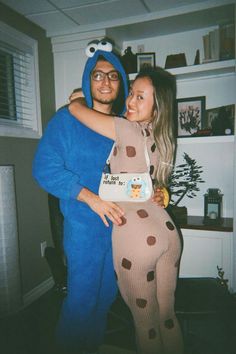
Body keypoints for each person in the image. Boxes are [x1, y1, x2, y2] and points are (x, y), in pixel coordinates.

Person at [32, 40, 166, 354]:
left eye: (113, 76)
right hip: (85, 228)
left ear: (121, 83)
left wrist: (160, 193)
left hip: (122, 229)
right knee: (81, 300)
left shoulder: (126, 125)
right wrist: (90, 198)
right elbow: (43, 167)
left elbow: (145, 172)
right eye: (97, 75)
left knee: (106, 297)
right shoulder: (67, 120)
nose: (105, 81)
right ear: (87, 81)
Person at [69, 66, 184, 354]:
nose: (130, 102)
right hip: (168, 234)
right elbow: (157, 188)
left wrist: (82, 95)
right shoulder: (161, 139)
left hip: (138, 237)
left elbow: (75, 110)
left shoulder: (126, 128)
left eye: (139, 97)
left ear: (156, 108)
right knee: (167, 316)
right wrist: (163, 194)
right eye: (131, 93)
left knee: (146, 324)